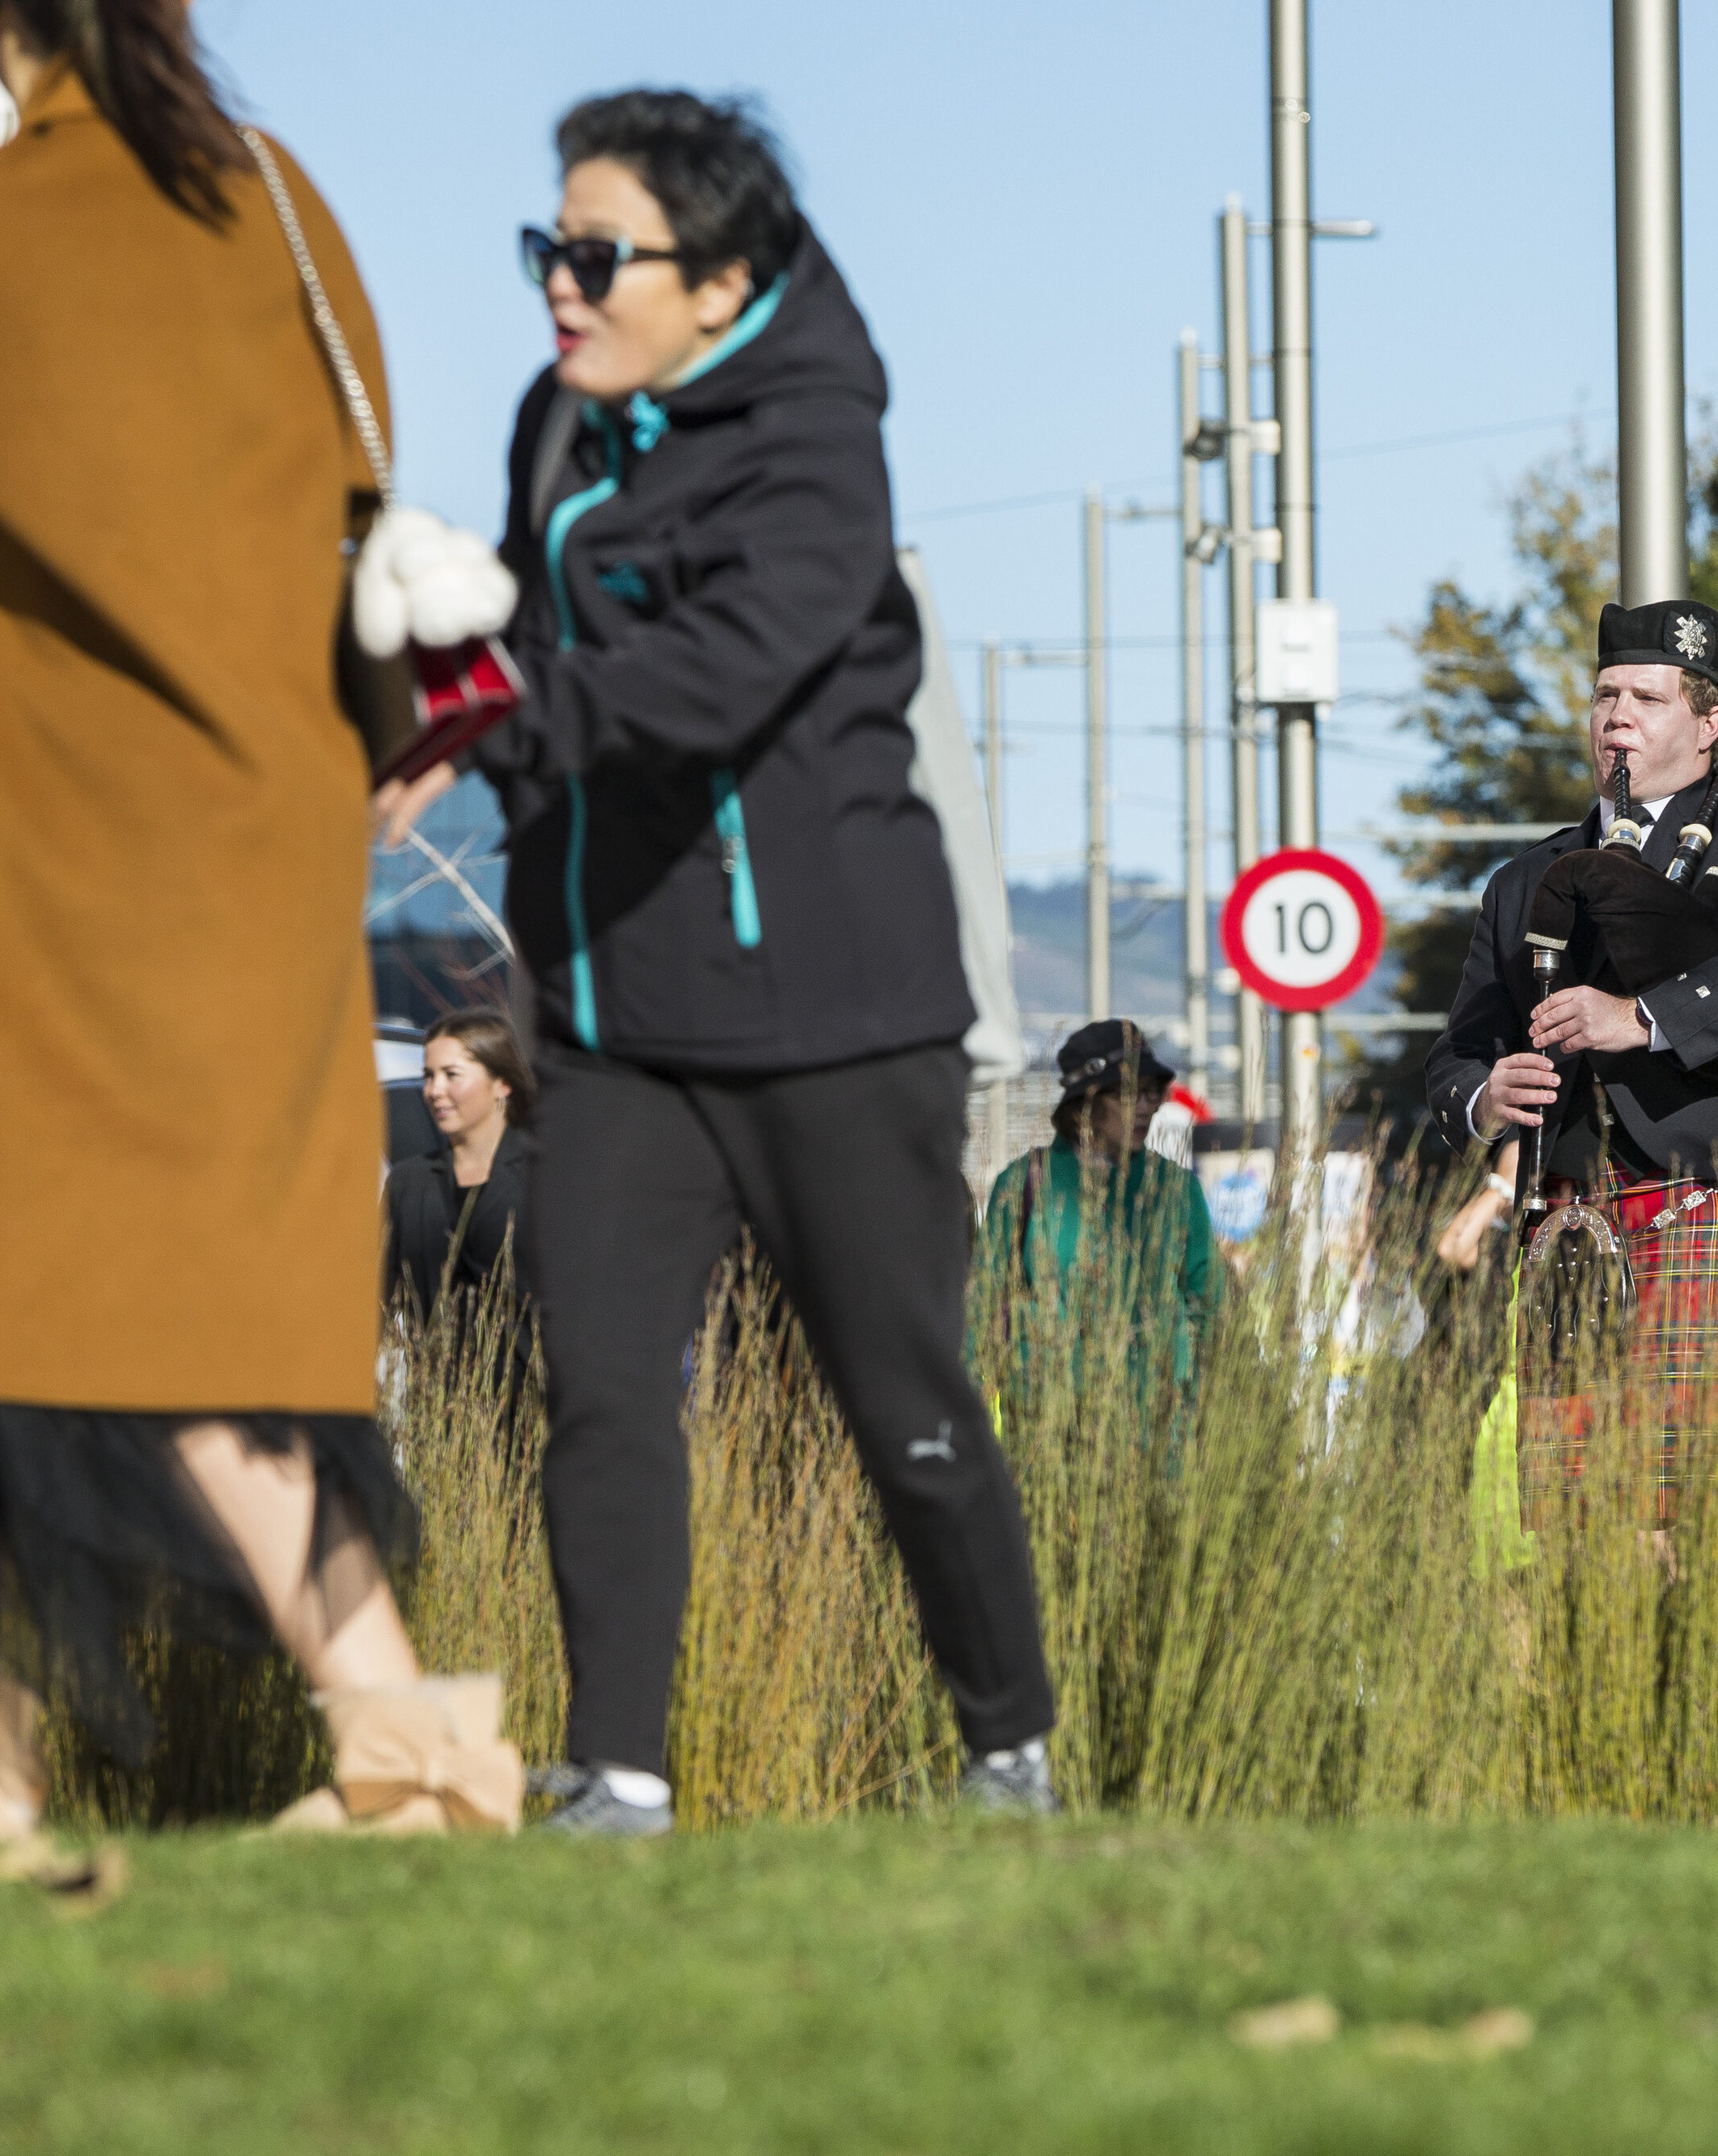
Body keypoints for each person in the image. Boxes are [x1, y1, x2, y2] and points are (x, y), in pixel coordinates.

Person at [0, 0, 520, 1845]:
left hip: (56, 863)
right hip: (268, 848)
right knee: (173, 1284)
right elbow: (354, 468)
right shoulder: (278, 202)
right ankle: (355, 1727)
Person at [379, 91, 1055, 1833]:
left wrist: (508, 726)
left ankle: (1008, 1753)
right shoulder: (560, 417)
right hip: (611, 1016)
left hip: (834, 1014)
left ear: (720, 277)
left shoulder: (816, 436)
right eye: (549, 248)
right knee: (597, 1385)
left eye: (597, 257)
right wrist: (417, 661)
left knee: (897, 1397)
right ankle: (617, 1772)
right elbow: (529, 643)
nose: (560, 287)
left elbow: (724, 675)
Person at [1423, 600, 1718, 1527]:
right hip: (1569, 1240)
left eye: (1646, 698)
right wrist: (1485, 1093)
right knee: (1590, 1546)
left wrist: (1645, 1017)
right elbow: (1457, 1053)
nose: (1616, 712)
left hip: (1713, 1209)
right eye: (1606, 693)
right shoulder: (1521, 883)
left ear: (1709, 728)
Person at [980, 1021, 1218, 1439]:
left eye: (1152, 1093)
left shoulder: (1178, 1191)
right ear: (1086, 1101)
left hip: (1158, 1444)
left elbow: (1211, 1309)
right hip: (1049, 1442)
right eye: (1129, 1093)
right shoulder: (1024, 1184)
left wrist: (1192, 1406)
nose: (1146, 1107)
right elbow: (983, 1309)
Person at [383, 1008, 535, 1322]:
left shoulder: (543, 1176)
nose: (434, 1091)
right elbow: (375, 1302)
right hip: (434, 1369)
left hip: (530, 1370)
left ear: (502, 1083)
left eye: (451, 1075)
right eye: (428, 1076)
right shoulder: (409, 1183)